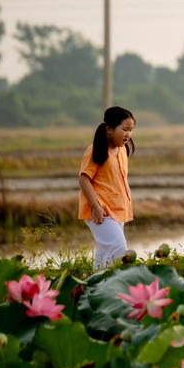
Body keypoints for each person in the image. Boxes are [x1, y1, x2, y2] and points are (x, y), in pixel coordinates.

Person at [78, 106, 137, 270]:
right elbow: (84, 180)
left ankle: (95, 285)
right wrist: (96, 207)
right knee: (120, 251)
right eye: (124, 129)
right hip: (101, 211)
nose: (128, 134)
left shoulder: (122, 151)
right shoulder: (96, 150)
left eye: (130, 130)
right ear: (109, 129)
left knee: (105, 253)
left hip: (118, 210)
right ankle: (119, 285)